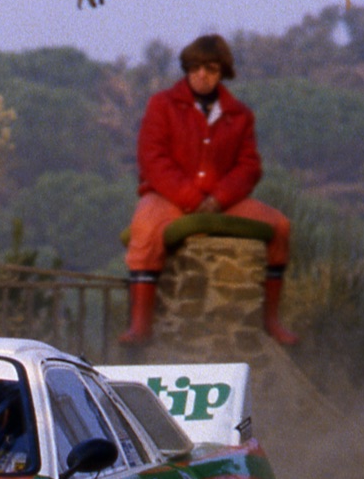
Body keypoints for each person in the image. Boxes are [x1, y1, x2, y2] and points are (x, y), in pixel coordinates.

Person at [120, 34, 297, 347]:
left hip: (222, 201)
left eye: (211, 69)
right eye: (196, 68)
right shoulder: (162, 105)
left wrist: (219, 199)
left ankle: (271, 320)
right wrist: (190, 197)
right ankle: (140, 326)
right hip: (167, 195)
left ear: (222, 72)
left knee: (279, 226)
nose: (202, 75)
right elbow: (152, 158)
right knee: (145, 229)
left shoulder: (239, 115)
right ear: (187, 69)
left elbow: (249, 166)